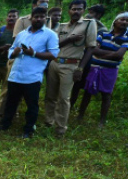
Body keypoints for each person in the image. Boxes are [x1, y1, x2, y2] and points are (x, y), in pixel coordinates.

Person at [0, 6, 59, 138]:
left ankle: (28, 130)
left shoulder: (50, 34)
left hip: (32, 76)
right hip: (16, 74)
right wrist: (14, 52)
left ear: (45, 18)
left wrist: (34, 53)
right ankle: (5, 125)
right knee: (11, 102)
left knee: (32, 105)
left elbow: (53, 54)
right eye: (36, 17)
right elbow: (12, 49)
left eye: (42, 17)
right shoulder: (22, 34)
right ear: (31, 18)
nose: (39, 19)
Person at [42, 0, 97, 136]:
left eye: (79, 9)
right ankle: (48, 122)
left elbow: (90, 48)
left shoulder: (89, 24)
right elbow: (54, 45)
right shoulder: (61, 26)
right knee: (50, 95)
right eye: (73, 9)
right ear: (69, 11)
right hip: (55, 63)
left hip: (71, 64)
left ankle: (60, 128)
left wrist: (80, 68)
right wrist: (69, 40)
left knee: (64, 98)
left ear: (83, 10)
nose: (76, 11)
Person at [75, 12, 128, 127]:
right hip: (95, 67)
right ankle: (80, 115)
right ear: (115, 21)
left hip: (110, 69)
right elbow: (94, 50)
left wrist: (102, 54)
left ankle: (102, 121)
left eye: (127, 21)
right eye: (122, 20)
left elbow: (119, 54)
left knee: (106, 94)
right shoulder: (103, 33)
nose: (125, 22)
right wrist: (113, 53)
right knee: (88, 92)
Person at [0, 10, 18, 117]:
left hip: (11, 66)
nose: (11, 18)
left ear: (17, 18)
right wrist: (3, 48)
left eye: (13, 16)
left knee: (7, 90)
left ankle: (3, 111)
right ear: (6, 18)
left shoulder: (19, 33)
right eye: (9, 16)